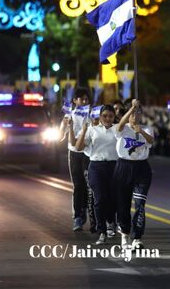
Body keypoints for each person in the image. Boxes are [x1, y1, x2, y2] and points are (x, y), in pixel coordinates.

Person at [114, 99, 154, 250]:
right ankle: (124, 233)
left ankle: (137, 237)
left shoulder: (148, 129)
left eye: (138, 112)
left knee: (140, 204)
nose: (135, 116)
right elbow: (119, 125)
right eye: (132, 113)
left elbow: (151, 141)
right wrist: (131, 108)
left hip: (141, 168)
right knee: (123, 204)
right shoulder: (122, 129)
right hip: (123, 166)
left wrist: (141, 131)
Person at [75, 105, 119, 245]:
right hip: (96, 167)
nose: (107, 118)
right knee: (99, 199)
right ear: (100, 116)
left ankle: (110, 221)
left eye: (110, 116)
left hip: (114, 167)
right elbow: (78, 147)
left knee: (112, 199)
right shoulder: (92, 130)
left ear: (114, 117)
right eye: (104, 115)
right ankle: (102, 232)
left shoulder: (118, 129)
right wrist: (83, 131)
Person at [61, 87, 95, 232]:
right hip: (74, 153)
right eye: (81, 99)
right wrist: (64, 124)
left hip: (88, 153)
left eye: (87, 99)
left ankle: (93, 217)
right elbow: (60, 136)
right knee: (78, 185)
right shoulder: (70, 116)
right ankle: (78, 217)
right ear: (75, 100)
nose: (84, 102)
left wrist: (94, 122)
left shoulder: (92, 115)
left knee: (90, 186)